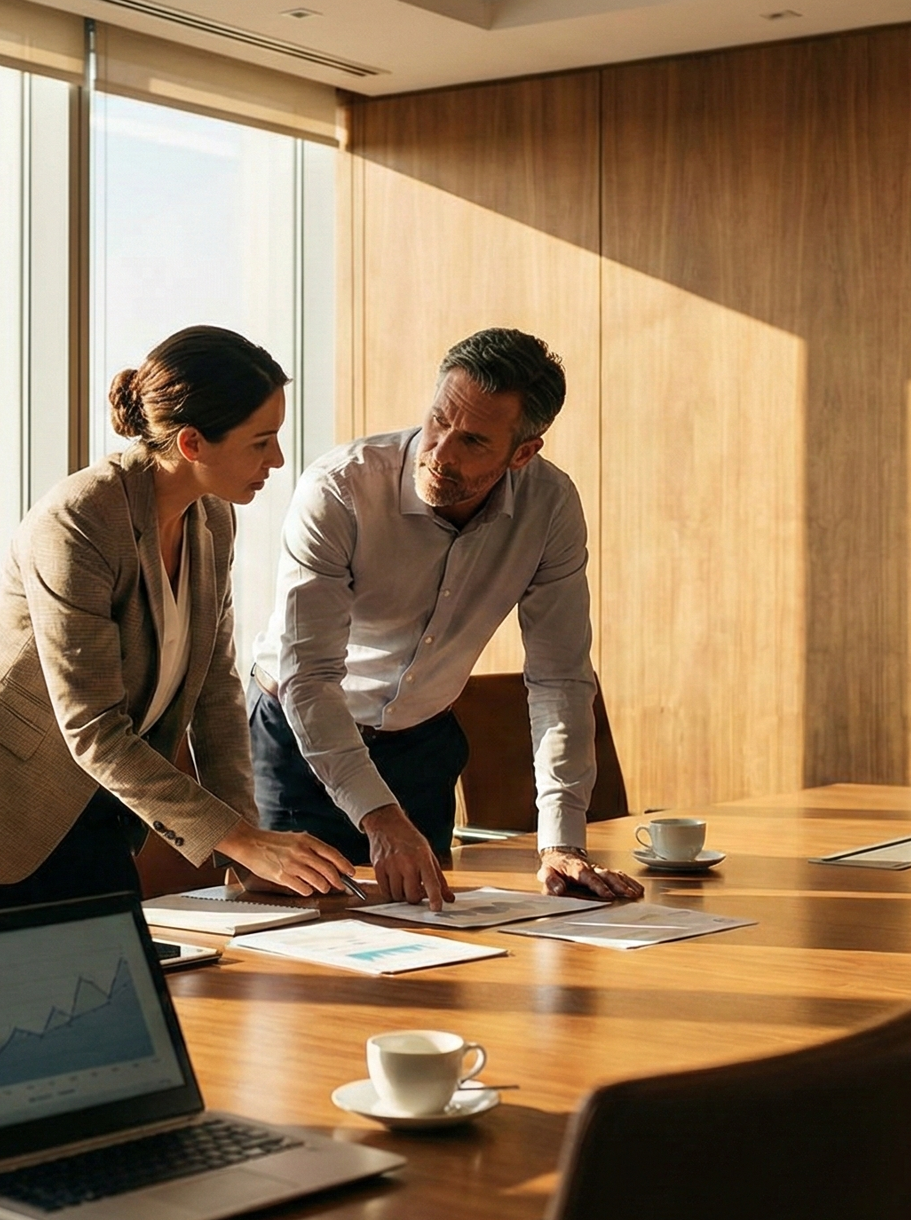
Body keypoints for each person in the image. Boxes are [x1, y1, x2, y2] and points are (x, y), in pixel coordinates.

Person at [0, 325, 358, 919]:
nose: (278, 459)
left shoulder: (212, 520)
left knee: (118, 996)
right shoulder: (78, 520)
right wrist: (242, 841)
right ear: (192, 443)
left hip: (97, 811)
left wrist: (246, 843)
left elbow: (216, 689)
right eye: (261, 441)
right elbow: (93, 727)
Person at [251, 327, 644, 910]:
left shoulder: (550, 507)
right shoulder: (339, 491)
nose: (440, 453)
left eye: (472, 441)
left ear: (523, 453)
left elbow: (560, 679)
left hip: (422, 743)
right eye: (438, 421)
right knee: (300, 942)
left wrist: (561, 842)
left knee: (423, 934)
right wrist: (381, 819)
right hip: (301, 737)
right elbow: (308, 678)